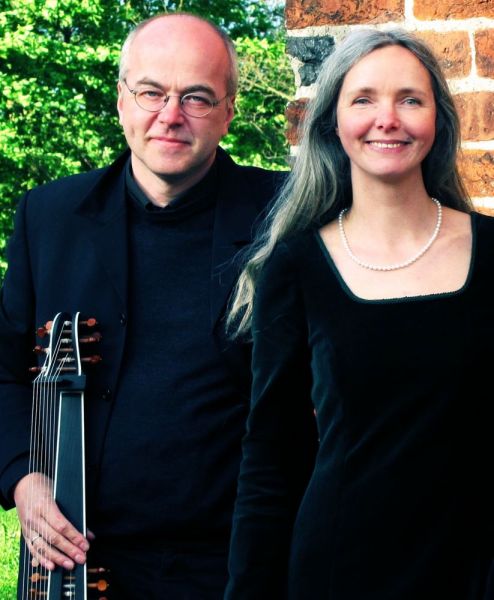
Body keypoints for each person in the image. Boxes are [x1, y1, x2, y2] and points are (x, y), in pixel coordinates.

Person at [0, 12, 285, 600]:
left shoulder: (286, 216)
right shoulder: (47, 217)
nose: (170, 115)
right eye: (151, 92)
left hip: (239, 564)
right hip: (81, 562)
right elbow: (3, 371)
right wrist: (22, 477)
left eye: (196, 97)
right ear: (122, 101)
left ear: (229, 112)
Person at [224, 28, 494, 599]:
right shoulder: (295, 268)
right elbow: (271, 458)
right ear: (333, 122)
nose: (387, 119)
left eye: (410, 99)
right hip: (339, 573)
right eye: (364, 99)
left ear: (439, 120)